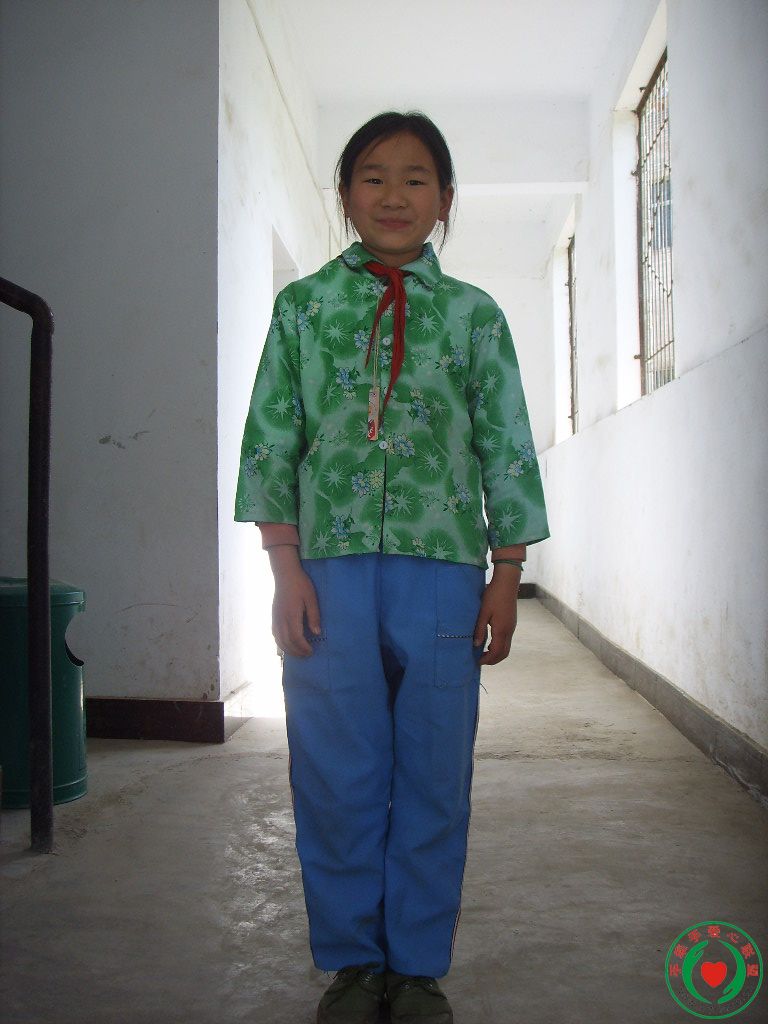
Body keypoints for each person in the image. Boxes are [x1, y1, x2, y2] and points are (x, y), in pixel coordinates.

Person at [234, 111, 550, 1024]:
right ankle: (352, 963)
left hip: (443, 571)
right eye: (373, 176)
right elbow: (271, 437)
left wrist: (506, 572)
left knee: (433, 772)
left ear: (445, 200)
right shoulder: (302, 308)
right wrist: (283, 567)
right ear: (345, 195)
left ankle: (415, 967)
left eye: (417, 179)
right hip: (327, 571)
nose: (394, 195)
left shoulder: (474, 316)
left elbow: (506, 443)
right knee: (336, 770)